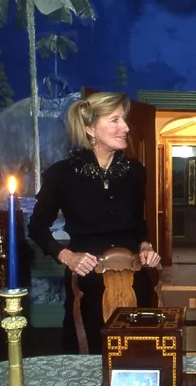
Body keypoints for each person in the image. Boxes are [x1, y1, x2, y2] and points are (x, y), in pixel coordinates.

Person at [28, 91, 161, 354]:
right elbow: (37, 227)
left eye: (123, 120)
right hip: (87, 281)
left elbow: (138, 224)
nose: (125, 127)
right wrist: (68, 257)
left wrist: (145, 246)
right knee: (87, 352)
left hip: (135, 277)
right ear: (90, 129)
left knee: (139, 353)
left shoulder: (136, 172)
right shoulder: (61, 174)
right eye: (114, 120)